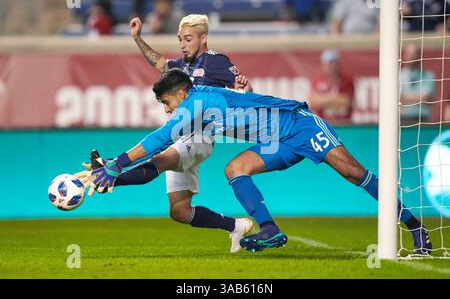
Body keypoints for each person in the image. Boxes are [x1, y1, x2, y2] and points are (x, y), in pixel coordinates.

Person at [83, 69, 432, 255]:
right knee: (234, 169)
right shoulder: (199, 100)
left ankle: (415, 226)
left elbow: (159, 139)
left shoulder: (193, 105)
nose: (167, 108)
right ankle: (270, 229)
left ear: (181, 94)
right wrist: (116, 163)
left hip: (299, 124)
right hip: (275, 141)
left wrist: (116, 164)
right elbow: (163, 139)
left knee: (353, 173)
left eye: (166, 101)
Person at [80, 14, 254, 253]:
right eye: (180, 39)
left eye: (189, 39)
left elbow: (244, 89)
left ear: (203, 38)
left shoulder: (215, 62)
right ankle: (235, 225)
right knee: (179, 211)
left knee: (159, 160)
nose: (183, 44)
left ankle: (110, 179)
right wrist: (138, 38)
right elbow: (160, 63)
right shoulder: (182, 67)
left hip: (199, 135)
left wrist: (245, 88)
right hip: (182, 136)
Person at [309, 49, 354, 124]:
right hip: (323, 123)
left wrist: (322, 99)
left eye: (335, 63)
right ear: (323, 65)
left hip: (343, 123)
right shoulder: (318, 80)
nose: (332, 66)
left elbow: (346, 101)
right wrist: (334, 98)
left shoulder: (347, 80)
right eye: (330, 63)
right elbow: (313, 102)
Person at [399, 43, 436, 124]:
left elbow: (425, 98)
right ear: (404, 55)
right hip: (403, 119)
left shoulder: (428, 75)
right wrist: (417, 97)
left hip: (422, 119)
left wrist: (405, 97)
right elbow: (398, 98)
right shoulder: (399, 76)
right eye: (408, 54)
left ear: (419, 56)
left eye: (414, 54)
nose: (411, 57)